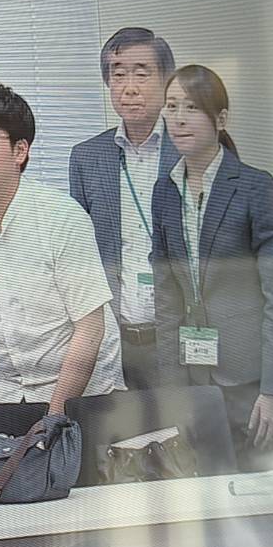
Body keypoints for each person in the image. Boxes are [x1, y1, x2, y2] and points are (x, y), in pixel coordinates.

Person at [0, 80, 124, 411]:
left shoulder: (62, 216)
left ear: (20, 151)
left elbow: (90, 328)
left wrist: (56, 414)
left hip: (83, 391)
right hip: (7, 389)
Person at [151, 65, 273, 469]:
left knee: (272, 491)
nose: (178, 118)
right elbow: (166, 301)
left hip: (255, 380)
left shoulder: (256, 187)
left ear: (221, 119)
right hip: (199, 380)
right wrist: (173, 394)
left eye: (191, 107)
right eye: (171, 106)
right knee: (215, 489)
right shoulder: (165, 191)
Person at [68, 27, 180, 389]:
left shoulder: (192, 148)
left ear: (166, 80)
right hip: (119, 336)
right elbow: (82, 254)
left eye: (141, 73)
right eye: (118, 75)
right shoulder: (87, 158)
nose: (129, 87)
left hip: (183, 333)